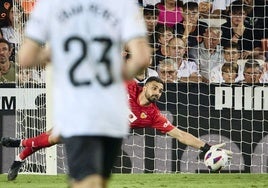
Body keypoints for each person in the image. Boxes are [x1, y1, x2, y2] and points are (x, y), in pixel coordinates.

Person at [16, 1, 151, 188]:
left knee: (87, 182)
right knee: (95, 182)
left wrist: (55, 52)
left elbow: (26, 58)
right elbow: (142, 58)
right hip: (113, 110)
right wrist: (114, 75)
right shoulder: (123, 4)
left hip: (77, 109)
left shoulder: (50, 5)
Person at [1, 77, 232, 180]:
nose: (157, 93)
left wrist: (207, 147)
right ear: (145, 87)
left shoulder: (152, 115)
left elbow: (179, 134)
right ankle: (20, 153)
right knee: (55, 135)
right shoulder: (128, 85)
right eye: (154, 88)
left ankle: (20, 151)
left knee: (56, 136)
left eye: (160, 91)